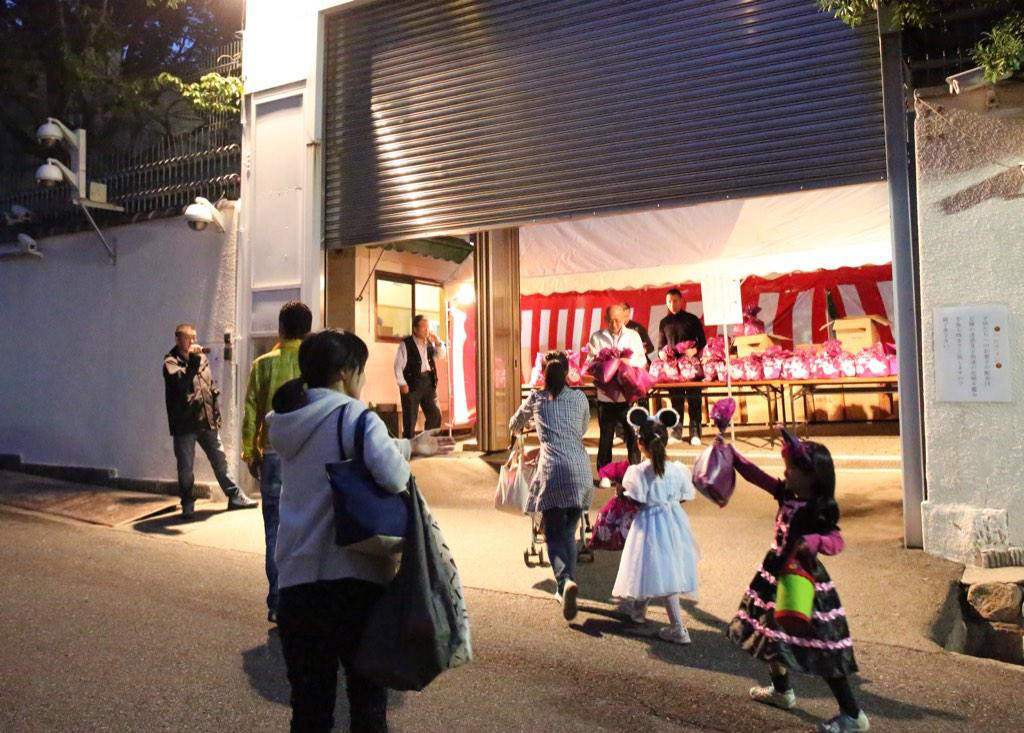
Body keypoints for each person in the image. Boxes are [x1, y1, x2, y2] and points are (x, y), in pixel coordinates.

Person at [268, 329, 454, 733]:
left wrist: (407, 444)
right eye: (361, 370)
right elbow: (392, 477)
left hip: (297, 586)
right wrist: (406, 454)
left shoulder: (285, 421)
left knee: (310, 711)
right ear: (344, 371)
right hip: (356, 583)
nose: (364, 380)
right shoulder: (355, 415)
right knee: (367, 707)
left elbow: (339, 450)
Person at [727, 430, 868, 733]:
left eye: (792, 468)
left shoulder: (820, 508)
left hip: (803, 582)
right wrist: (733, 457)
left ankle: (853, 714)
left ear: (812, 476)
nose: (785, 473)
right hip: (775, 575)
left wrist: (814, 542)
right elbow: (757, 476)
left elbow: (836, 541)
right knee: (769, 634)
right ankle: (782, 691)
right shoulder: (786, 493)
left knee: (824, 648)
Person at [241, 301, 312, 624]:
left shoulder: (263, 364)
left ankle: (277, 601)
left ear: (281, 329)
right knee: (309, 527)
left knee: (274, 528)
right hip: (308, 457)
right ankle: (305, 599)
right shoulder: (314, 366)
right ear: (308, 330)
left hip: (272, 455)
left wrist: (249, 452)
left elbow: (252, 412)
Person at [509, 352, 592, 622]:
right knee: (569, 531)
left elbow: (514, 424)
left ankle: (564, 582)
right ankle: (569, 584)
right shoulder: (579, 398)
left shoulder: (537, 398)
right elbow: (581, 429)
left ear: (544, 373)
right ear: (568, 373)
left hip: (552, 470)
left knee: (553, 533)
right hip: (580, 470)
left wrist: (532, 426)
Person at [611, 407, 699, 643]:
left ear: (640, 444)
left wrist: (620, 491)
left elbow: (633, 499)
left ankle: (679, 629)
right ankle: (638, 611)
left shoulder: (638, 471)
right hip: (674, 521)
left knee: (660, 569)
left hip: (650, 523)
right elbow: (684, 496)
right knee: (654, 567)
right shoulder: (678, 470)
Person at [163, 323, 257, 517]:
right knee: (186, 468)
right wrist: (192, 362)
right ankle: (187, 504)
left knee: (220, 460)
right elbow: (180, 385)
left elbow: (209, 387)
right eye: (189, 338)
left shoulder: (201, 359)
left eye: (195, 337)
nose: (193, 342)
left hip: (206, 422)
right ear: (178, 339)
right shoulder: (171, 362)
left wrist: (215, 414)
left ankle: (235, 496)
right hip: (184, 425)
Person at [587, 304, 647, 470]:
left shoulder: (633, 335)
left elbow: (642, 360)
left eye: (618, 321)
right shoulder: (597, 337)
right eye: (611, 321)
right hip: (605, 395)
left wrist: (627, 363)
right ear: (605, 319)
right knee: (606, 435)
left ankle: (635, 469)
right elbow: (589, 362)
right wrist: (605, 364)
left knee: (631, 434)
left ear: (625, 319)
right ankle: (604, 471)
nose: (614, 324)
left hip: (627, 395)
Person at [658, 288, 707, 446]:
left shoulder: (692, 319)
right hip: (673, 368)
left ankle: (695, 433)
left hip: (691, 365)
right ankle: (676, 432)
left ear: (681, 301)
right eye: (669, 301)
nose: (672, 304)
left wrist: (694, 349)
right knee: (676, 401)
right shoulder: (664, 322)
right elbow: (661, 346)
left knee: (694, 400)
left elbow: (703, 341)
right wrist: (661, 354)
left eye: (675, 300)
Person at [394, 314, 447, 439]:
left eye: (428, 328)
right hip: (412, 382)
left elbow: (441, 355)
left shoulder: (429, 343)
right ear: (415, 329)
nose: (427, 331)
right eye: (424, 328)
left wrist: (438, 342)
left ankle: (429, 441)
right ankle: (410, 446)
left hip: (429, 381)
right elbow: (397, 365)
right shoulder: (406, 344)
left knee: (435, 413)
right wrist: (402, 383)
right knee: (410, 417)